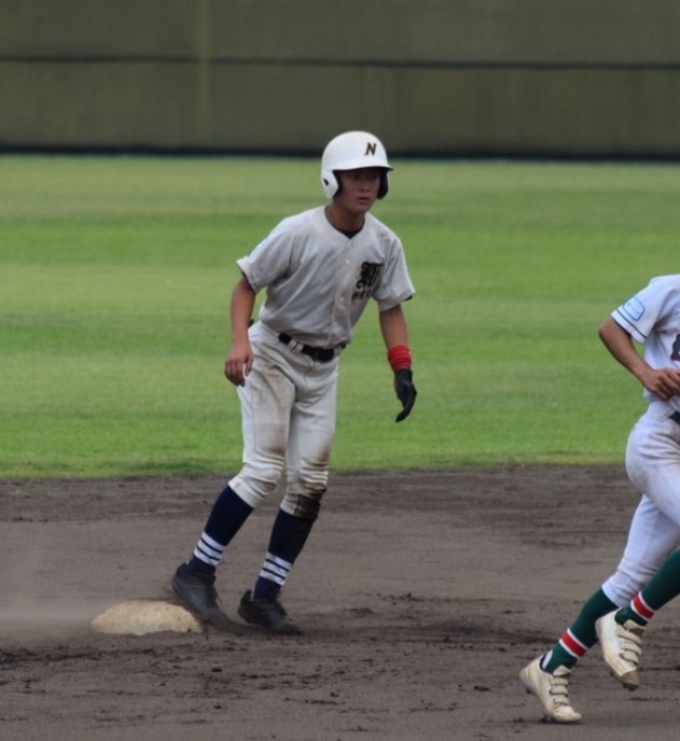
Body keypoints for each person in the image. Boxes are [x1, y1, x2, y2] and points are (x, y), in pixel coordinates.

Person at [170, 131, 417, 635]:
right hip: (273, 356)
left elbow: (390, 308)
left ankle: (264, 596)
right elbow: (246, 286)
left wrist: (402, 368)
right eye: (356, 176)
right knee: (263, 471)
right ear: (333, 179)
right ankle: (196, 571)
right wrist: (240, 343)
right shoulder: (298, 232)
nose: (366, 185)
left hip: (323, 371)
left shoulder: (385, 243)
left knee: (310, 483)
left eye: (374, 177)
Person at [519, 274, 680, 723]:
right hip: (659, 443)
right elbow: (611, 328)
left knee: (630, 577)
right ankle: (630, 621)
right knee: (633, 594)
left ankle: (550, 668)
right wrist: (645, 371)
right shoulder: (671, 289)